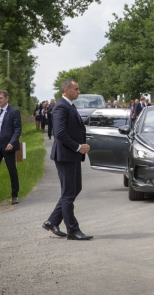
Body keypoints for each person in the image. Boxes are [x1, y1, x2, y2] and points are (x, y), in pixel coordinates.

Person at [42, 78, 93, 240]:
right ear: (66, 90)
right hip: (65, 156)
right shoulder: (60, 107)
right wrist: (79, 147)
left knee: (74, 189)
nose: (79, 91)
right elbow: (60, 133)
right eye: (76, 89)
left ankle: (52, 221)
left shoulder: (69, 105)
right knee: (68, 193)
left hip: (73, 156)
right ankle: (72, 230)